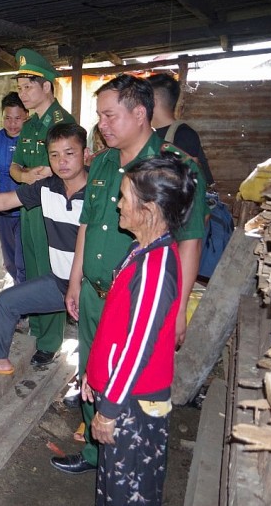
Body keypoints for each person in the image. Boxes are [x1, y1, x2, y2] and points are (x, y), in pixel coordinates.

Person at [53, 74, 208, 476]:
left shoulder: (174, 167)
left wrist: (177, 312)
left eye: (109, 116)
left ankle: (126, 463)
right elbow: (87, 225)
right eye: (99, 116)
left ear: (140, 114)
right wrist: (75, 282)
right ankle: (95, 452)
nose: (101, 125)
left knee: (131, 382)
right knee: (92, 373)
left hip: (137, 305)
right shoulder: (102, 162)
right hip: (93, 293)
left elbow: (189, 241)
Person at [84, 155, 197, 505]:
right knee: (116, 486)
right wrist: (94, 374)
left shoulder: (155, 268)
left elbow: (137, 347)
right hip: (124, 394)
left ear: (148, 210)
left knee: (128, 491)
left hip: (134, 403)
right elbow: (117, 328)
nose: (117, 204)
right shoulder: (141, 251)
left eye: (124, 197)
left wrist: (110, 409)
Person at [0, 123, 88, 375]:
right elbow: (5, 200)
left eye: (70, 153)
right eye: (54, 155)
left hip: (92, 289)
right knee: (7, 301)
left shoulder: (98, 192)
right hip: (60, 284)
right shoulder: (47, 187)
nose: (61, 161)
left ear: (85, 153)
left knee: (94, 347)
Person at [9, 49, 77, 366]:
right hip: (30, 207)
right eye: (20, 87)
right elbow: (14, 167)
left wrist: (50, 172)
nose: (22, 94)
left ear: (46, 85)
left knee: (52, 273)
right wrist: (26, 174)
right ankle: (38, 327)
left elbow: (71, 167)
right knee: (34, 268)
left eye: (27, 87)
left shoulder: (62, 123)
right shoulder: (31, 125)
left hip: (54, 209)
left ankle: (50, 341)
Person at [0, 92, 28, 285]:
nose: (12, 124)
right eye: (7, 118)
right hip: (2, 211)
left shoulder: (32, 141)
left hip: (25, 210)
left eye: (17, 118)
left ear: (26, 115)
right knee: (10, 262)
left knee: (22, 262)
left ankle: (23, 305)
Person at [149, 73, 215, 186]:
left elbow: (179, 186)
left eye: (141, 97)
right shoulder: (149, 133)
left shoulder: (183, 135)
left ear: (153, 101)